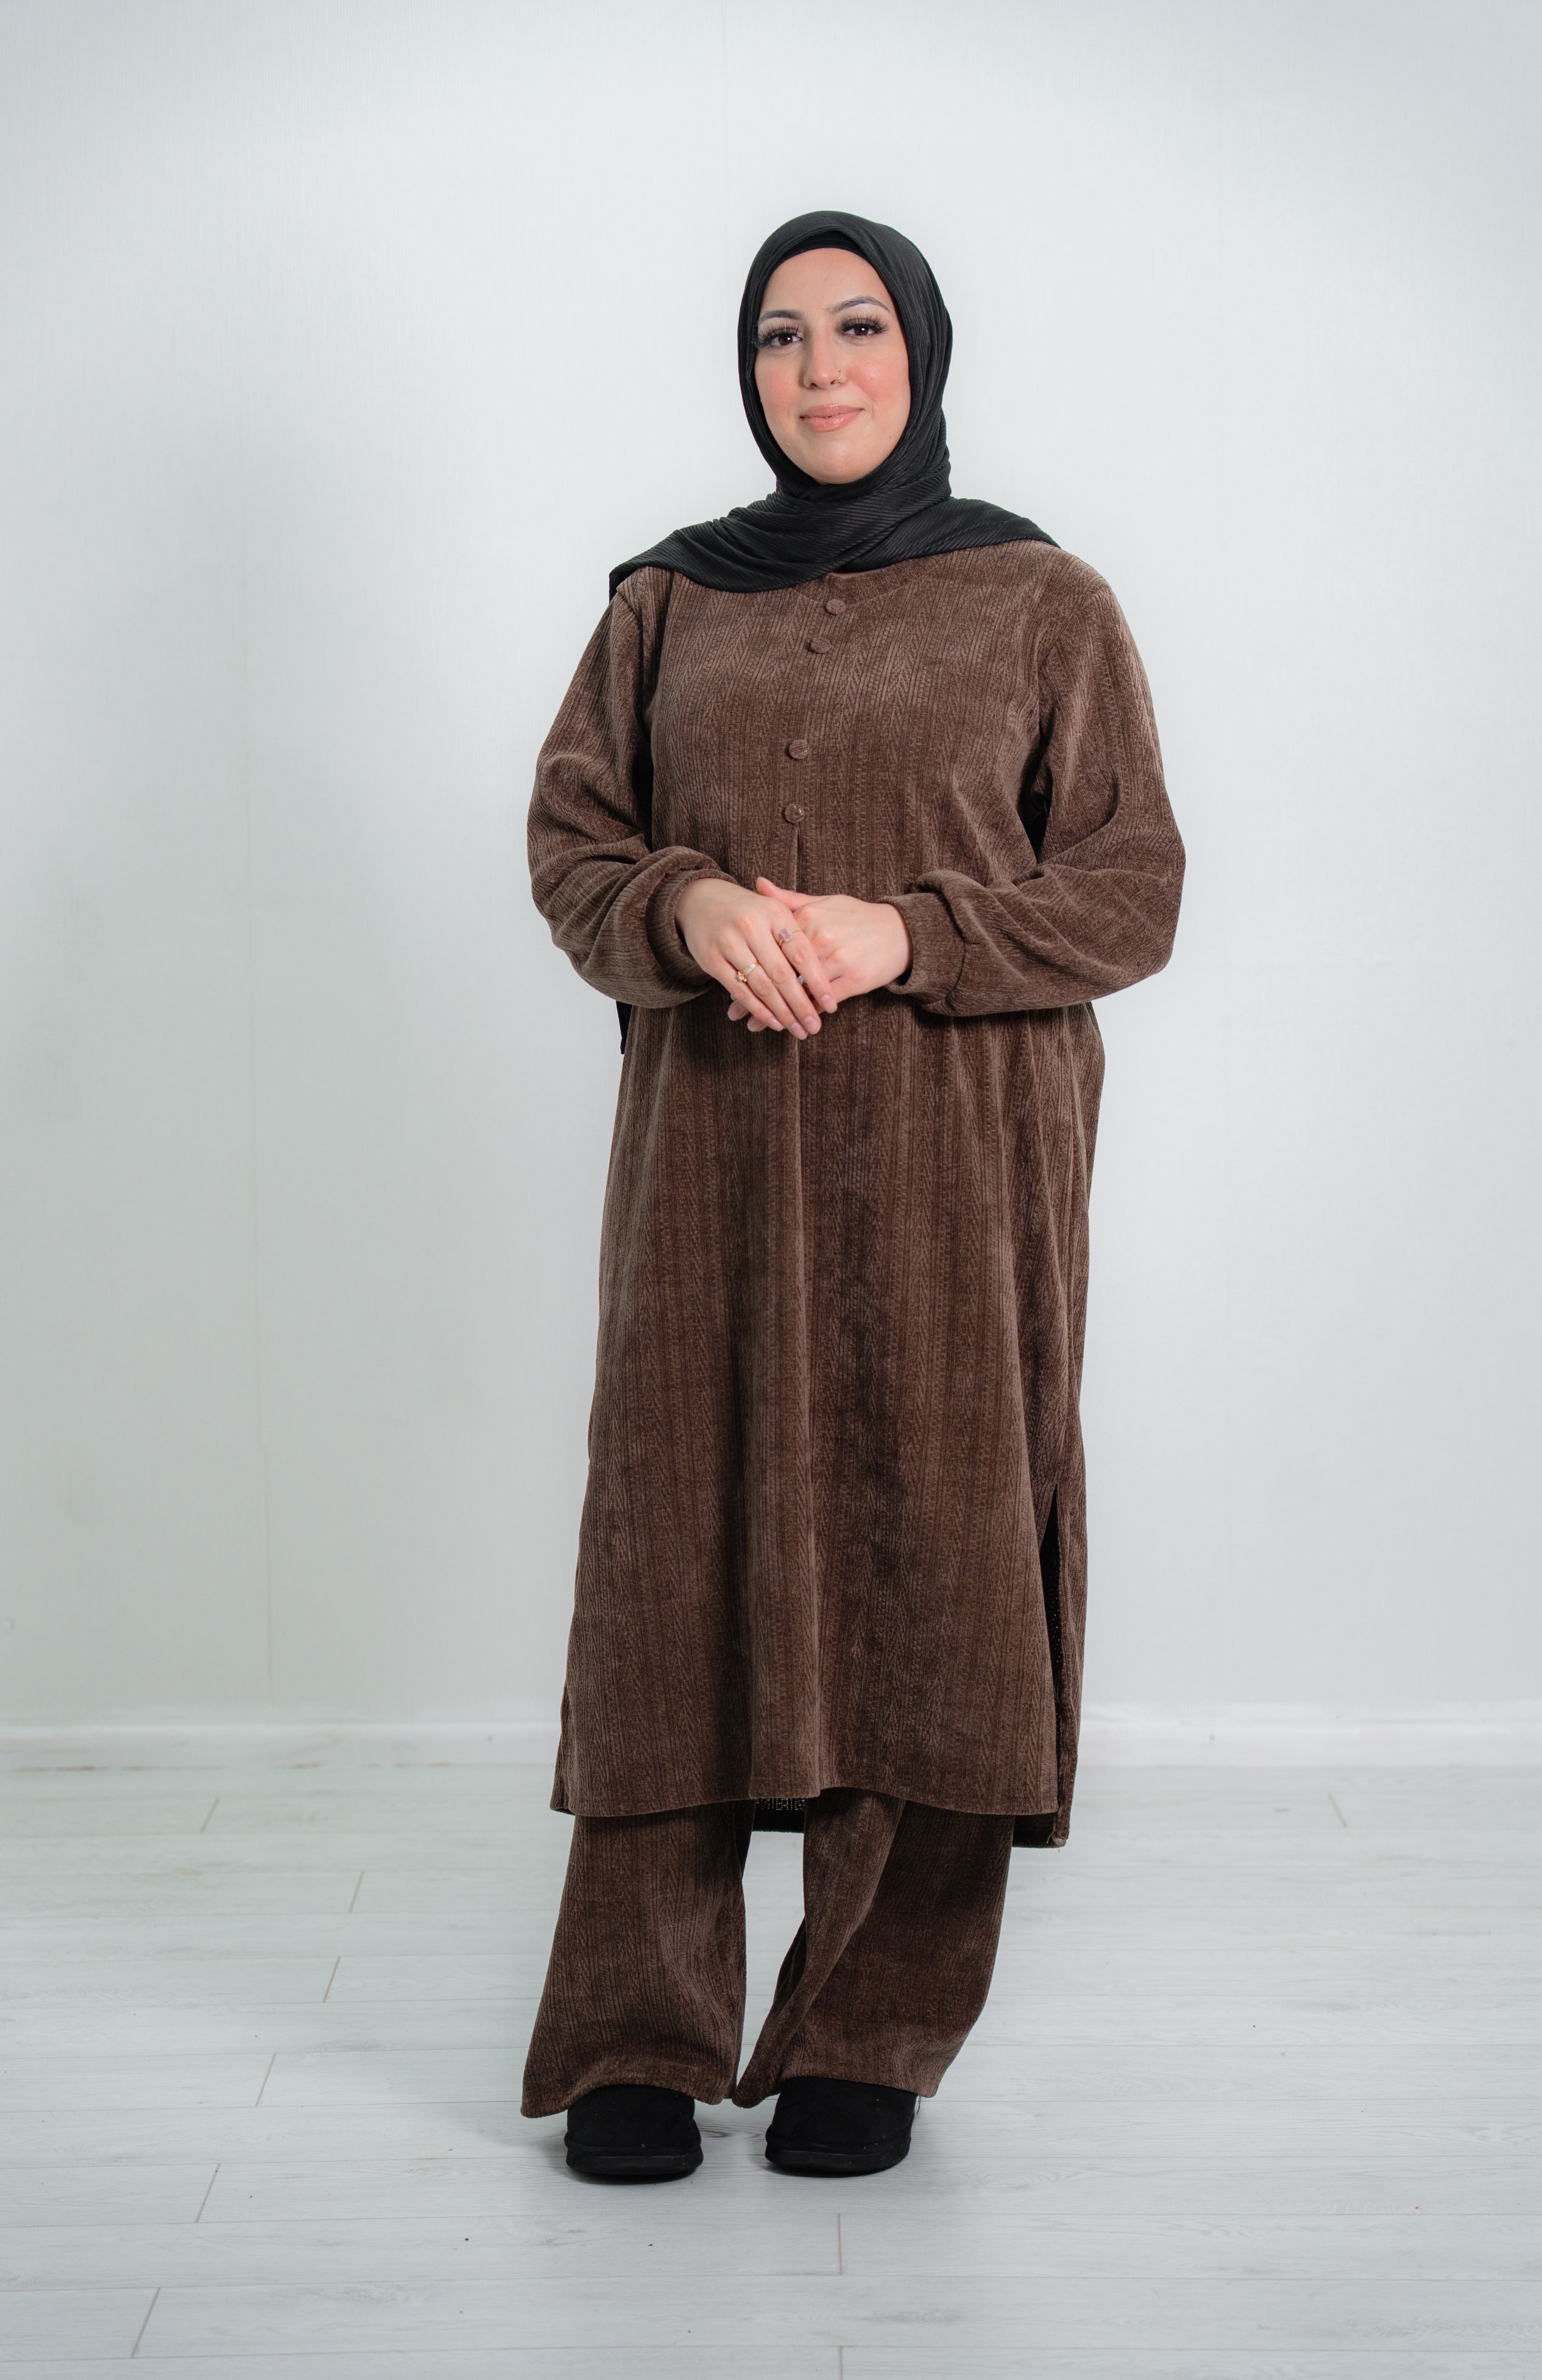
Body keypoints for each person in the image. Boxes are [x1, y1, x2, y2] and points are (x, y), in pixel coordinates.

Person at [521, 210, 1184, 2181]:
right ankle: (635, 2034)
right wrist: (687, 904)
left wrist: (906, 932)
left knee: (937, 1566)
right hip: (712, 1176)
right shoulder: (667, 602)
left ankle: (867, 2037)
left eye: (857, 326)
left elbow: (1130, 887)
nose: (818, 369)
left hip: (960, 1171)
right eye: (779, 336)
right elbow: (573, 844)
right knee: (675, 1559)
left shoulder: (1041, 599)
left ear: (922, 351)